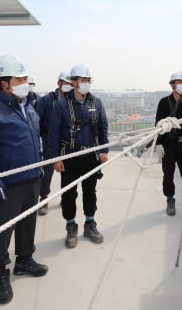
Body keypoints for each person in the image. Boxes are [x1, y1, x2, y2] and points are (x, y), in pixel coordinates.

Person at [0, 54, 47, 304]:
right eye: (18, 78)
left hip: (31, 177)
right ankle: (0, 272)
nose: (24, 83)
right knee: (1, 231)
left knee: (28, 224)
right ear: (2, 82)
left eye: (25, 78)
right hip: (6, 183)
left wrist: (39, 170)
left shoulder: (28, 105)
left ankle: (24, 260)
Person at [47, 63, 109, 249]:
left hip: (91, 155)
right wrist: (55, 158)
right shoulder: (62, 105)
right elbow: (54, 133)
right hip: (70, 156)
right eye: (83, 80)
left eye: (88, 80)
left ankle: (90, 223)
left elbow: (103, 127)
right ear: (73, 82)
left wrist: (104, 151)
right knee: (69, 193)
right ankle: (71, 225)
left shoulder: (96, 103)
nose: (86, 84)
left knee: (90, 191)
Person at [155, 71, 182, 216]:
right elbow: (158, 124)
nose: (180, 85)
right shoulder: (164, 102)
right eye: (177, 82)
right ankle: (170, 199)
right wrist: (158, 143)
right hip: (168, 145)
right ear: (172, 85)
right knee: (168, 174)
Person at [35, 71, 72, 216]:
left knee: (68, 170)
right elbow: (36, 121)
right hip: (50, 139)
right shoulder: (47, 100)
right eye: (66, 83)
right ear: (59, 83)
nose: (68, 86)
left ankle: (66, 196)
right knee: (48, 169)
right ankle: (43, 198)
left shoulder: (72, 101)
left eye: (70, 83)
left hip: (68, 140)